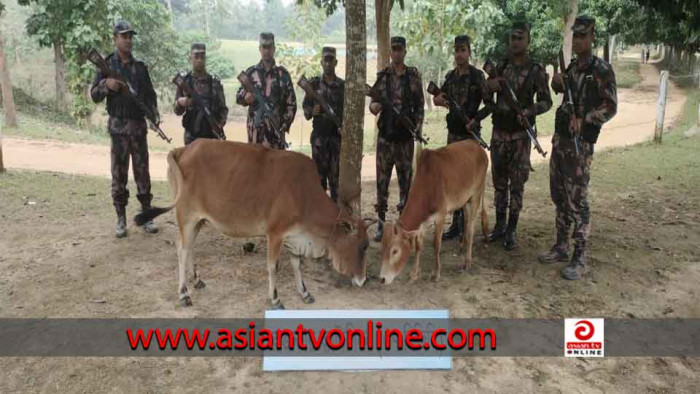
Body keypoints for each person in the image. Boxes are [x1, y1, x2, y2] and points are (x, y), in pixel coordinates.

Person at [539, 16, 618, 280]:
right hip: (561, 141)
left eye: (583, 36)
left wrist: (586, 120)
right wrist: (557, 82)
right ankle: (561, 246)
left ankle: (580, 256)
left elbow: (611, 107)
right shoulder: (572, 68)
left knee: (578, 201)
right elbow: (562, 94)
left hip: (580, 145)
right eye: (576, 36)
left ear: (592, 36)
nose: (579, 40)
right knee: (559, 195)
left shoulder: (601, 70)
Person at [485, 21, 552, 250]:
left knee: (517, 186)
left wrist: (529, 111)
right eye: (512, 38)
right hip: (499, 134)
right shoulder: (500, 67)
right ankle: (500, 225)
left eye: (520, 38)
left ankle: (512, 229)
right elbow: (485, 96)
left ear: (528, 41)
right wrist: (490, 86)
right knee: (499, 184)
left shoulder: (536, 70)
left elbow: (547, 101)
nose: (515, 42)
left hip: (520, 137)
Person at [90, 20, 159, 238]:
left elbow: (150, 95)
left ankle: (146, 216)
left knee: (143, 175)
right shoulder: (107, 65)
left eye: (130, 36)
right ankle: (121, 219)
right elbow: (93, 95)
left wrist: (154, 116)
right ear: (115, 39)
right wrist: (106, 85)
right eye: (124, 36)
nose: (128, 40)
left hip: (138, 128)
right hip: (118, 129)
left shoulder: (140, 68)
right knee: (119, 175)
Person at [433, 34, 494, 240]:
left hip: (470, 139)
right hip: (453, 136)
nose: (459, 54)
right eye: (457, 50)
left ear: (469, 52)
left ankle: (469, 226)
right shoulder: (450, 76)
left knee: (470, 181)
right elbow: (438, 97)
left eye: (463, 50)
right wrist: (439, 100)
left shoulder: (477, 76)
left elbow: (490, 104)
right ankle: (456, 225)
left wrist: (475, 120)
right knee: (454, 180)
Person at [369, 36, 425, 242]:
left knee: (405, 183)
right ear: (391, 52)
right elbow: (372, 104)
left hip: (405, 140)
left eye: (400, 49)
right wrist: (377, 107)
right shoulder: (383, 77)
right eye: (394, 49)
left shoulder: (412, 77)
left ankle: (403, 224)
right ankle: (381, 225)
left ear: (405, 51)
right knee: (381, 183)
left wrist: (417, 127)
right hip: (385, 139)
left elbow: (420, 106)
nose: (397, 52)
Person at [236, 32, 296, 150]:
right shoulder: (251, 73)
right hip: (255, 137)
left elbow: (291, 105)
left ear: (274, 49)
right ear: (260, 49)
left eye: (269, 47)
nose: (267, 51)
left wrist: (284, 124)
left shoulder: (282, 75)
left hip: (275, 137)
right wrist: (245, 98)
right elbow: (238, 96)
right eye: (264, 47)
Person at [302, 46, 344, 202]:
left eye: (331, 60)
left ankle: (335, 219)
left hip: (336, 140)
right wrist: (312, 111)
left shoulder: (342, 86)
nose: (328, 63)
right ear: (321, 62)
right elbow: (305, 110)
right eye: (325, 60)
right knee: (319, 183)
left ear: (336, 62)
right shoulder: (312, 85)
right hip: (319, 141)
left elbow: (347, 113)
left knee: (336, 182)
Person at [174, 43, 228, 145]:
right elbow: (177, 111)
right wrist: (180, 103)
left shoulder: (214, 83)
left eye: (202, 56)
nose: (199, 59)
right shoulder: (185, 82)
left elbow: (223, 110)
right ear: (190, 58)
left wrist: (217, 126)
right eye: (196, 56)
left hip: (211, 137)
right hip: (191, 137)